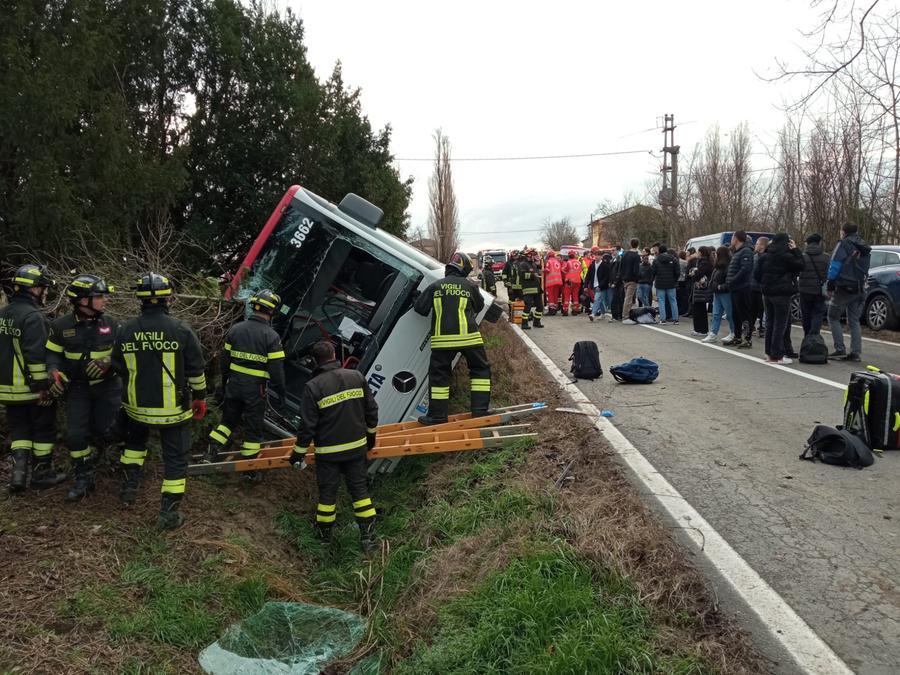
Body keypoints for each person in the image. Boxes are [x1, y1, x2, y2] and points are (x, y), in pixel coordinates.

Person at [111, 272, 207, 529]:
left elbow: (118, 366)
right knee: (175, 459)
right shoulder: (181, 330)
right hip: (172, 413)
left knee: (133, 445)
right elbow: (196, 372)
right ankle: (168, 514)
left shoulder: (125, 330)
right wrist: (200, 398)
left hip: (135, 409)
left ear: (139, 299)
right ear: (168, 299)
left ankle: (128, 489)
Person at [288, 340, 379, 553]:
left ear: (314, 361)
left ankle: (323, 540)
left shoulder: (313, 387)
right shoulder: (356, 376)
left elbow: (307, 427)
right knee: (360, 493)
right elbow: (372, 411)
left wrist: (297, 454)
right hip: (356, 449)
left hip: (329, 455)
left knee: (327, 497)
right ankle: (369, 539)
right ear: (334, 355)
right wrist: (370, 438)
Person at [46, 274, 121, 502]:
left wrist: (110, 362)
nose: (104, 301)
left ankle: (111, 462)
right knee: (76, 435)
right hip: (77, 389)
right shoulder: (60, 326)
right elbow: (52, 355)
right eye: (99, 296)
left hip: (107, 389)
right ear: (82, 301)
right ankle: (83, 477)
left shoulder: (112, 324)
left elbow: (125, 355)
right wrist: (53, 372)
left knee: (107, 430)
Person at [0, 264, 67, 492]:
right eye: (43, 288)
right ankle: (41, 474)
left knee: (19, 431)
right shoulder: (33, 317)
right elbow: (37, 358)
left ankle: (18, 477)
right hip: (31, 389)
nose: (45, 293)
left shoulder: (3, 315)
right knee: (43, 431)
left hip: (6, 389)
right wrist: (45, 388)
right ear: (35, 290)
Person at [206, 290, 286, 479]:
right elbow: (277, 371)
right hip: (255, 390)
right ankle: (249, 471)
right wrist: (281, 393)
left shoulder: (236, 329)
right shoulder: (272, 337)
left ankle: (210, 452)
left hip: (234, 384)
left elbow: (224, 361)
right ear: (272, 312)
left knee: (227, 422)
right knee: (253, 429)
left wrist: (224, 383)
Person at [414, 252, 491, 424]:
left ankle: (437, 416)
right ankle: (480, 411)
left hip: (443, 342)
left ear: (449, 267)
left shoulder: (436, 286)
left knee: (439, 375)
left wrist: (416, 297)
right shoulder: (471, 286)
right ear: (464, 270)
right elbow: (479, 307)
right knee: (480, 370)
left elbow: (420, 309)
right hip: (470, 339)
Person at [755, 234, 804, 364]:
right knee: (780, 324)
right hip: (782, 293)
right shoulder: (787, 257)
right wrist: (795, 250)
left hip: (767, 293)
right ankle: (777, 355)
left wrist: (765, 284)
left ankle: (768, 353)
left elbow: (756, 274)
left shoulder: (764, 256)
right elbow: (801, 265)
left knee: (769, 323)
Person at [826, 222, 871, 361]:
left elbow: (835, 265)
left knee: (832, 316)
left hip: (844, 287)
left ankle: (840, 348)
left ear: (843, 232)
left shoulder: (843, 244)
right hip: (859, 287)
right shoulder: (865, 247)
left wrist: (830, 284)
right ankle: (855, 352)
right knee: (854, 320)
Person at [726, 231, 755, 348]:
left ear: (736, 238)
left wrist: (732, 280)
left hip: (743, 288)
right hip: (735, 288)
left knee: (744, 315)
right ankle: (737, 337)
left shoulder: (746, 251)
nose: (732, 240)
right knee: (735, 314)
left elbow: (745, 269)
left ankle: (747, 339)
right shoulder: (737, 252)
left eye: (733, 237)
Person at [798, 234, 830, 337]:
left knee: (806, 314)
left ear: (807, 243)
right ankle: (814, 336)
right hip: (819, 290)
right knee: (818, 314)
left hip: (804, 290)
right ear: (819, 243)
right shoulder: (826, 257)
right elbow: (828, 273)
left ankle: (807, 336)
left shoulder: (802, 257)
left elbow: (798, 272)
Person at [702, 246, 736, 343]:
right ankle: (713, 333)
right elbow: (713, 279)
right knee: (716, 314)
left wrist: (721, 287)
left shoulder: (728, 266)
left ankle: (733, 332)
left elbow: (729, 281)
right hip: (717, 293)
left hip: (725, 293)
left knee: (730, 314)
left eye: (716, 254)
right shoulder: (717, 266)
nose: (715, 255)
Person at [652, 245, 680, 324]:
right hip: (671, 283)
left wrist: (653, 280)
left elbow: (653, 272)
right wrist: (674, 280)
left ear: (659, 251)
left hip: (660, 283)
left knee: (661, 301)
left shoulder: (656, 260)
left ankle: (663, 319)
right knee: (673, 300)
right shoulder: (673, 259)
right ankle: (676, 319)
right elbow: (677, 272)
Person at [689, 247, 714, 336]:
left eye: (698, 251)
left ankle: (700, 329)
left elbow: (699, 274)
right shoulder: (707, 261)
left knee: (699, 309)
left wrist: (693, 273)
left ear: (701, 252)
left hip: (701, 289)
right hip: (702, 288)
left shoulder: (704, 262)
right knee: (700, 309)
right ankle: (700, 329)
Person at [517, 249, 544, 328]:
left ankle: (536, 322)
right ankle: (524, 324)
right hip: (528, 289)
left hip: (537, 289)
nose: (533, 256)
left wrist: (539, 272)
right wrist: (533, 275)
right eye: (532, 255)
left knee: (540, 307)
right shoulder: (523, 264)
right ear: (528, 255)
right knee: (528, 307)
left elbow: (536, 272)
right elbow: (522, 275)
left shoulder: (533, 264)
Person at [750, 236, 769, 339]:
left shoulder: (765, 257)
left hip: (761, 287)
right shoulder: (754, 256)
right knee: (752, 308)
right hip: (753, 286)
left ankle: (762, 328)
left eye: (757, 243)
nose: (755, 245)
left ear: (762, 245)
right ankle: (751, 326)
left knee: (761, 309)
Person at [620, 239, 641, 323]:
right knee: (628, 298)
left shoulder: (625, 254)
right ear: (638, 245)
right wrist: (638, 277)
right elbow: (636, 269)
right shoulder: (636, 256)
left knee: (627, 297)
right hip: (632, 279)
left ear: (630, 244)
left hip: (625, 278)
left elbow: (621, 266)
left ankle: (625, 314)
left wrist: (622, 276)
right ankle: (625, 316)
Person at [561, 251, 582, 316]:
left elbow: (565, 270)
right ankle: (575, 310)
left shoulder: (569, 262)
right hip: (578, 281)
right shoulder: (579, 262)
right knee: (575, 296)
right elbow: (580, 270)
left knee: (567, 296)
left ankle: (565, 310)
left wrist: (562, 269)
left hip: (569, 281)